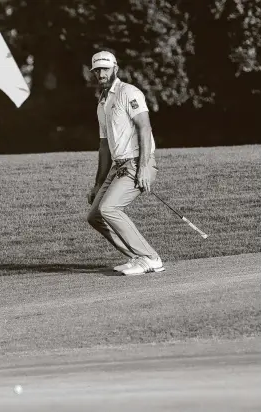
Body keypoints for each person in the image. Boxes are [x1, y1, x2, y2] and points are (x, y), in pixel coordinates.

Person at [87, 51, 165, 276]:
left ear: (115, 68)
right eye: (97, 70)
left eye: (105, 69)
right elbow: (104, 146)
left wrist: (143, 167)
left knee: (109, 209)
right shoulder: (102, 103)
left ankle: (151, 258)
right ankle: (137, 257)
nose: (101, 73)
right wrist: (97, 185)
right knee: (94, 216)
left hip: (137, 163)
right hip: (118, 166)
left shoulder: (128, 92)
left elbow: (145, 127)